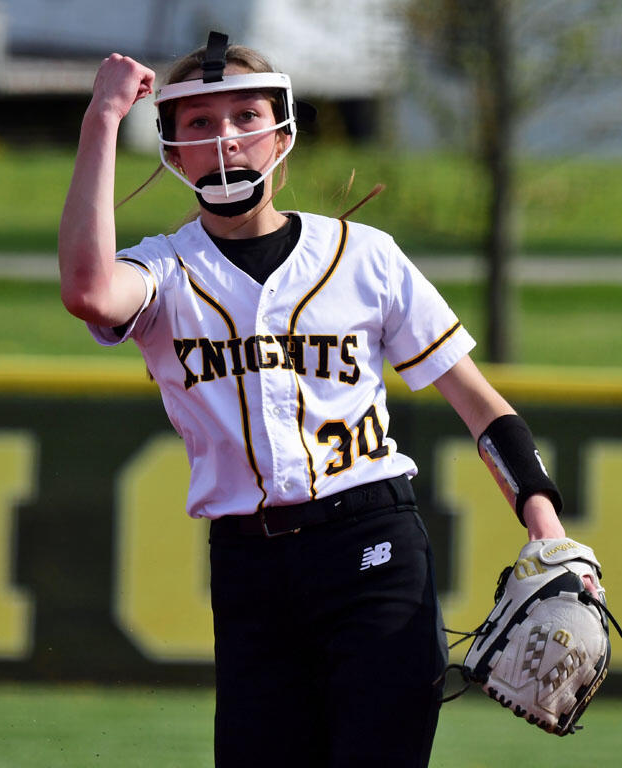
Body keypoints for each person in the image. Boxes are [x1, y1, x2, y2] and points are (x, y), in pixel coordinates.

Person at [58, 31, 583, 768]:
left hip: (372, 545)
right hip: (250, 568)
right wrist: (102, 121)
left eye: (246, 117)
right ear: (173, 154)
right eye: (200, 124)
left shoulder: (362, 256)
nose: (227, 139)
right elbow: (87, 291)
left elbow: (481, 406)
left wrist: (547, 529)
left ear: (281, 136)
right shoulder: (165, 271)